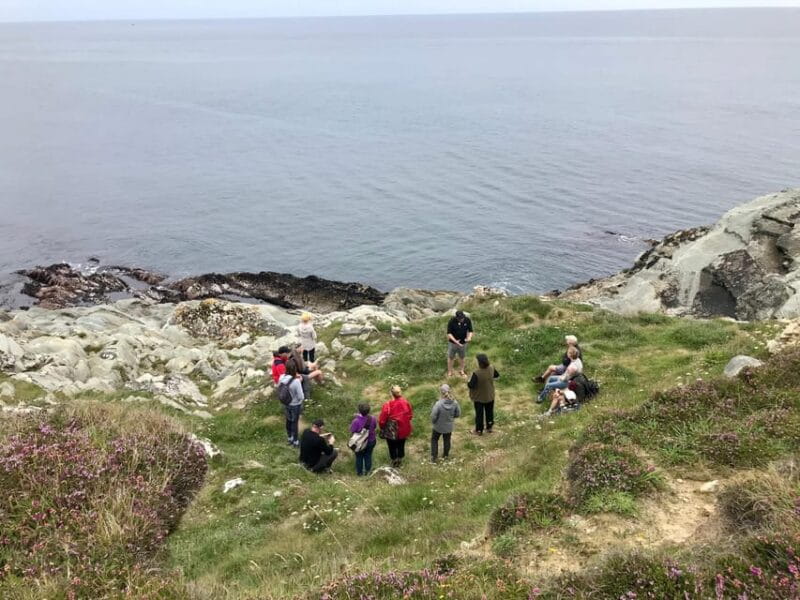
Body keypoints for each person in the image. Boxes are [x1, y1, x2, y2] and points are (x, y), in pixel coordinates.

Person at [378, 385, 413, 468]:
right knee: (401, 444)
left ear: (391, 393)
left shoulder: (387, 405)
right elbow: (410, 416)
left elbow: (382, 420)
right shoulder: (406, 403)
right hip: (404, 429)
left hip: (391, 430)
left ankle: (394, 461)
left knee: (392, 445)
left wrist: (382, 427)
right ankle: (400, 460)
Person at [467, 353, 499, 435]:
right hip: (490, 395)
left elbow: (471, 385)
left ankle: (478, 430)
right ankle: (489, 427)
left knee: (479, 414)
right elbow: (496, 376)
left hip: (479, 398)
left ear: (479, 363)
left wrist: (468, 380)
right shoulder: (491, 368)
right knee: (489, 412)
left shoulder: (476, 373)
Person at [430, 383, 461, 462]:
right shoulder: (455, 403)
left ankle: (434, 457)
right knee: (447, 440)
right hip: (448, 427)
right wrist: (451, 418)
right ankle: (446, 455)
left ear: (441, 392)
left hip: (438, 427)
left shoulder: (438, 404)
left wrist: (434, 422)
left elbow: (433, 416)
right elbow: (458, 414)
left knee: (434, 439)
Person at [279, 362, 304, 446]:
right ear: (295, 369)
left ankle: (290, 437)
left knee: (288, 420)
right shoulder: (296, 381)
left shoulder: (281, 377)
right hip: (295, 405)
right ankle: (295, 441)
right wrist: (299, 381)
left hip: (286, 403)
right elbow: (301, 396)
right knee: (294, 422)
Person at [349, 403, 377, 476]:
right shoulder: (373, 418)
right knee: (368, 456)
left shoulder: (356, 421)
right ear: (369, 410)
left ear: (359, 411)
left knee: (359, 457)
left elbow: (352, 431)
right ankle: (368, 471)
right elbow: (374, 427)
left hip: (359, 443)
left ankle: (359, 473)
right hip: (371, 440)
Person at [447, 310, 473, 377]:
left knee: (462, 357)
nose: (462, 320)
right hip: (453, 343)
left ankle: (462, 370)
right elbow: (449, 333)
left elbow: (470, 331)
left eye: (462, 318)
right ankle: (450, 372)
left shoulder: (467, 320)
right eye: (460, 318)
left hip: (463, 343)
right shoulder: (451, 321)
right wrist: (455, 341)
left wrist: (469, 337)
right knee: (451, 357)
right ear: (457, 317)